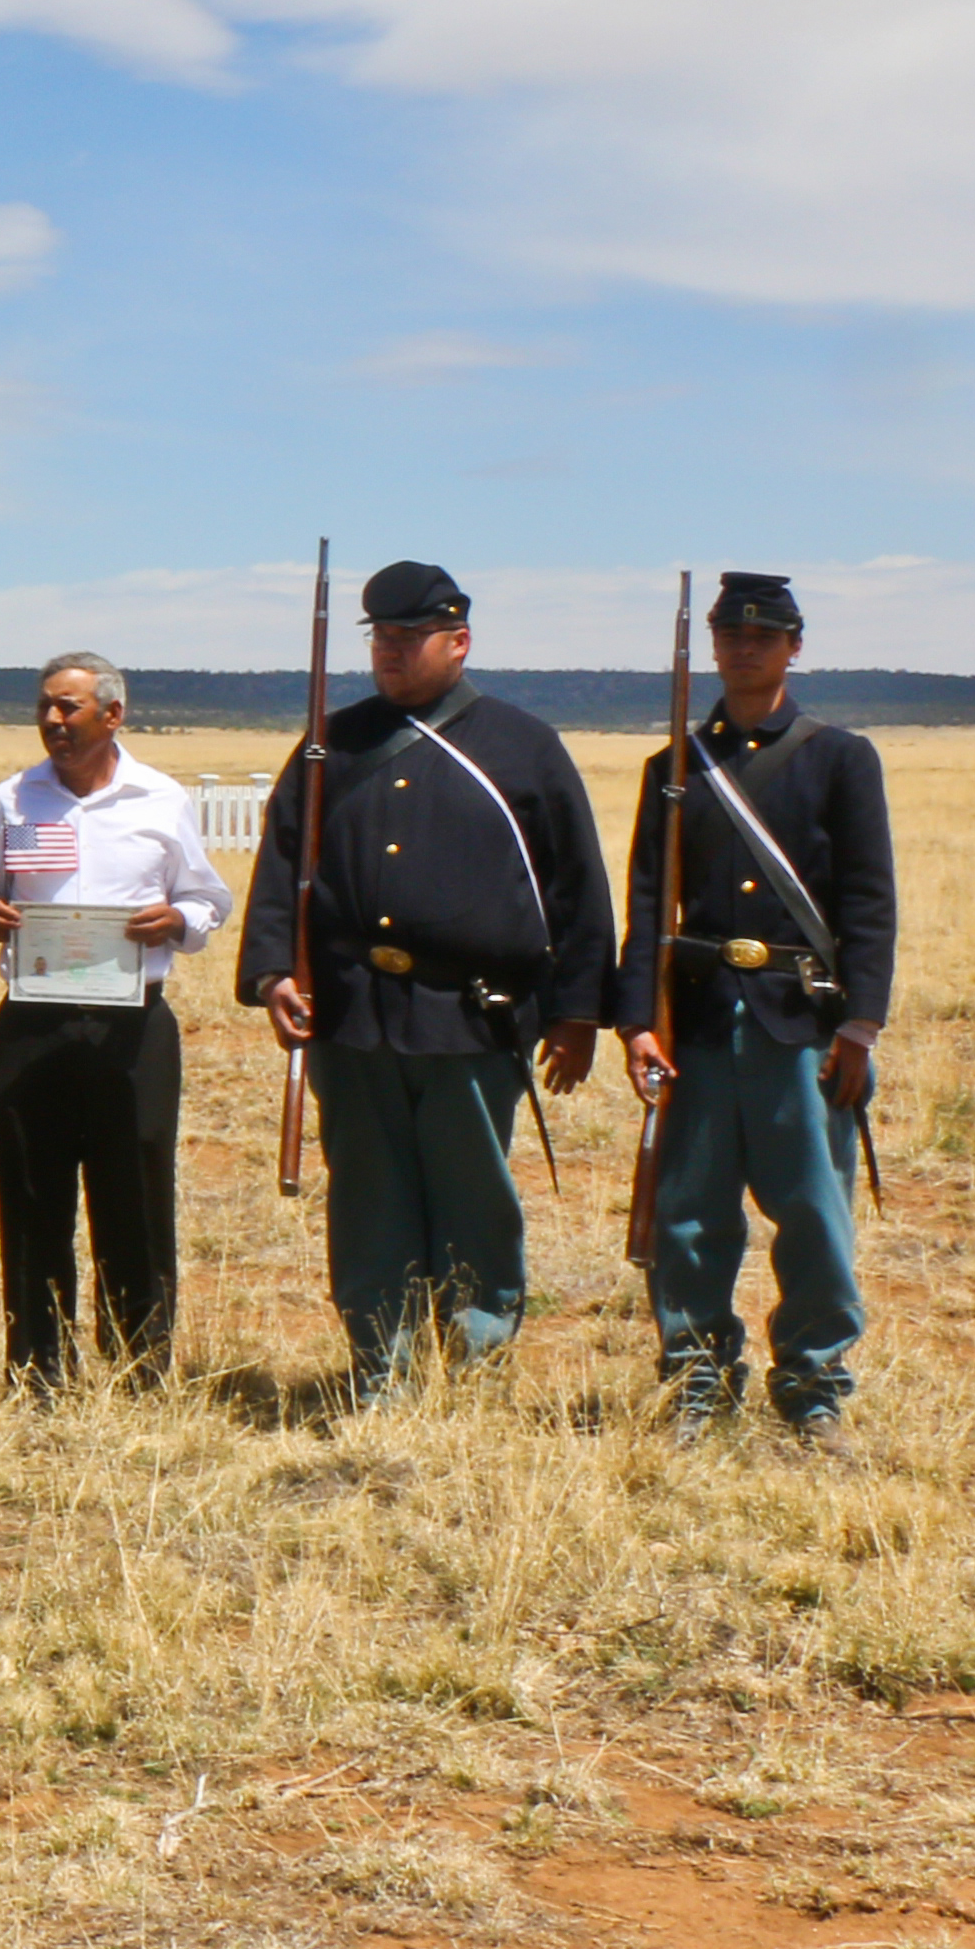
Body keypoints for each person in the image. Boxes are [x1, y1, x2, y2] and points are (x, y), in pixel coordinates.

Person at [235, 559, 612, 1403]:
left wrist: (580, 1011)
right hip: (353, 1010)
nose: (391, 654)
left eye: (410, 638)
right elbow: (281, 863)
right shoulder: (334, 742)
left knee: (473, 1193)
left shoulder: (524, 745)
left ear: (459, 641)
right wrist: (270, 975)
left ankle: (477, 1361)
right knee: (369, 1199)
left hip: (471, 1017)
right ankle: (383, 1365)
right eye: (382, 639)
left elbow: (576, 885)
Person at [613, 571, 901, 1442]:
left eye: (763, 636)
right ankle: (696, 1378)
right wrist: (636, 1022)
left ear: (793, 646)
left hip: (800, 1022)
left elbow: (867, 900)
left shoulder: (839, 758)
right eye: (730, 635)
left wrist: (859, 1024)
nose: (744, 649)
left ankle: (813, 1385)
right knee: (691, 1215)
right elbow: (648, 905)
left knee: (813, 1215)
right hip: (697, 1018)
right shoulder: (674, 768)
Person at [0, 653, 235, 1389]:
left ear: (112, 715)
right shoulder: (12, 800)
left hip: (131, 1026)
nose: (54, 721)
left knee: (135, 1197)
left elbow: (210, 899)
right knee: (30, 1196)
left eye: (70, 708)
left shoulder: (160, 799)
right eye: (46, 707)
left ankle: (140, 1365)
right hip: (33, 1021)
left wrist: (176, 917)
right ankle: (38, 1368)